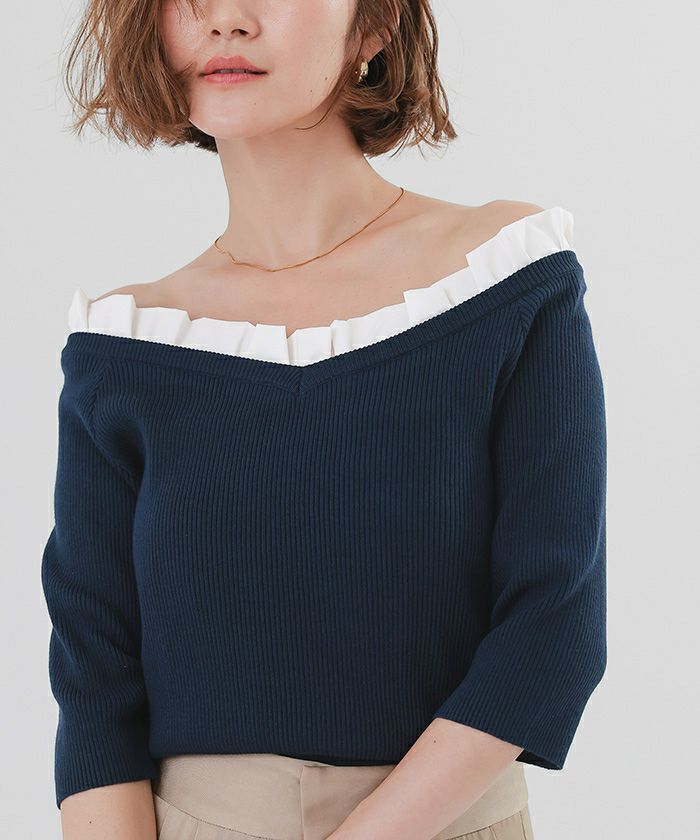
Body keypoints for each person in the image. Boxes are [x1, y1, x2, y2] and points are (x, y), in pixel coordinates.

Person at [40, 1, 607, 838]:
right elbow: (95, 685)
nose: (226, 20)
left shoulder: (506, 280)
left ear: (373, 27)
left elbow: (552, 631)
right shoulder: (125, 346)